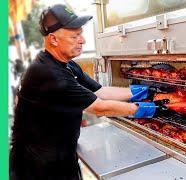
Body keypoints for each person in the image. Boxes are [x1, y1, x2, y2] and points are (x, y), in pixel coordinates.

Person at [9, 4, 164, 180]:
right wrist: (148, 109)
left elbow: (101, 91)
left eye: (81, 34)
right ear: (53, 39)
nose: (82, 40)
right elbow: (100, 108)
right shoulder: (47, 73)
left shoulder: (67, 65)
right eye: (75, 36)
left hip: (60, 155)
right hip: (37, 167)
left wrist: (143, 91)